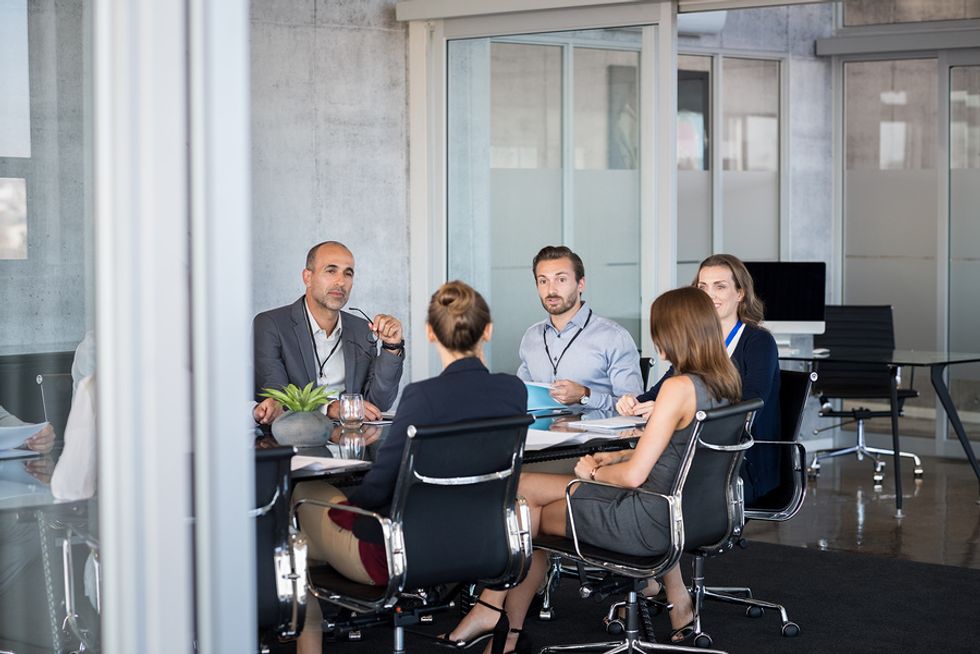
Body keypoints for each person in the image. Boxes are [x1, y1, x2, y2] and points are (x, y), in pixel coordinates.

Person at [447, 286, 743, 653]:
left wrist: (593, 472)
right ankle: (499, 625)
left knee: (524, 507)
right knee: (523, 497)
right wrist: (614, 458)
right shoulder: (724, 382)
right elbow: (675, 453)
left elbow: (635, 477)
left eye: (658, 330)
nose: (655, 340)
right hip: (687, 515)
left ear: (677, 331)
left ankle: (496, 618)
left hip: (645, 519)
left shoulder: (678, 387)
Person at [291, 280, 526, 654]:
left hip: (406, 555)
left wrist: (344, 511)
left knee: (303, 500)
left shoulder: (421, 398)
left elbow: (378, 491)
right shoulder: (514, 391)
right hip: (485, 548)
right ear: (489, 330)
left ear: (430, 333)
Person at [617, 253, 780, 502]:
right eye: (702, 287)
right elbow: (657, 394)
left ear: (740, 293)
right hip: (694, 456)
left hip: (740, 459)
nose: (709, 294)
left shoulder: (758, 341)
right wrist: (633, 403)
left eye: (720, 286)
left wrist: (671, 413)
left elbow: (751, 404)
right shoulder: (697, 345)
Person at [252, 241, 405, 425]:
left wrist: (391, 347)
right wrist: (329, 407)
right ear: (307, 277)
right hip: (294, 442)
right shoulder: (270, 324)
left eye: (348, 273)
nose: (341, 282)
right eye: (331, 271)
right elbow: (277, 401)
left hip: (352, 442)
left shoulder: (361, 328)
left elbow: (378, 404)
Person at [517, 246, 642, 411]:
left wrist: (586, 395)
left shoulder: (613, 337)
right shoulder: (531, 337)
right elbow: (520, 398)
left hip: (594, 436)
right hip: (539, 433)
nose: (551, 290)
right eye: (543, 281)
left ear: (580, 284)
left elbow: (634, 408)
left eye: (561, 279)